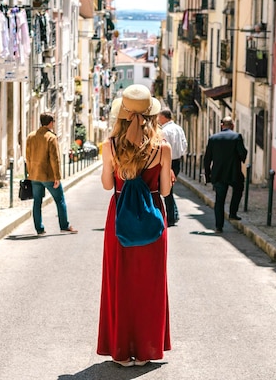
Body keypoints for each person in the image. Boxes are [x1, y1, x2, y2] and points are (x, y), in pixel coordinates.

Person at [97, 84, 173, 367]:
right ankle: (145, 351)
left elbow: (107, 185)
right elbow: (164, 191)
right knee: (149, 287)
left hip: (119, 218)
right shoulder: (162, 148)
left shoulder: (110, 146)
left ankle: (121, 351)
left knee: (120, 285)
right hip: (153, 220)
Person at [25, 112, 77, 235]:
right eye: (53, 121)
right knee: (60, 200)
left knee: (37, 202)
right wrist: (57, 177)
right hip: (48, 175)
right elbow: (55, 159)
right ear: (50, 122)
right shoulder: (51, 137)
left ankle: (39, 229)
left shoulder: (31, 136)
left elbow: (27, 157)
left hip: (35, 175)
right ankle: (64, 225)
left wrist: (30, 172)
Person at [203, 116, 248, 233]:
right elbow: (242, 154)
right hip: (234, 173)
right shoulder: (237, 137)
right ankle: (233, 213)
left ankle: (219, 226)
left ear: (221, 126)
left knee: (220, 200)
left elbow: (207, 159)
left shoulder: (213, 138)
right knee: (238, 190)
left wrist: (207, 176)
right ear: (232, 126)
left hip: (218, 174)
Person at [157, 108, 187, 226]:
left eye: (159, 117)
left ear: (164, 117)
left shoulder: (164, 131)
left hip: (167, 162)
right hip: (177, 161)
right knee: (169, 188)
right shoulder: (179, 128)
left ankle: (171, 217)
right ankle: (174, 214)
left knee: (166, 189)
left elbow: (163, 147)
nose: (158, 119)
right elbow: (184, 144)